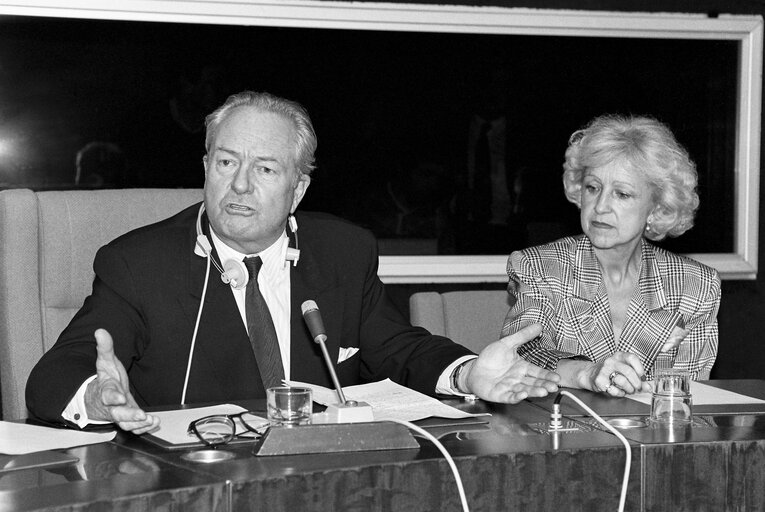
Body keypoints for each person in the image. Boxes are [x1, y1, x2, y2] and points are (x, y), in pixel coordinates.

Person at [26, 91, 560, 434]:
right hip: (199, 483)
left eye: (264, 169)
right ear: (206, 167)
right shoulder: (138, 263)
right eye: (226, 162)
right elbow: (53, 378)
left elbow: (399, 349)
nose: (238, 185)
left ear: (297, 189)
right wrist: (98, 397)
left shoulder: (343, 252)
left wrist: (468, 373)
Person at [502, 114, 721, 397]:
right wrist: (588, 372)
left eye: (622, 194)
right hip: (558, 433)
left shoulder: (696, 286)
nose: (601, 206)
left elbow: (689, 395)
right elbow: (520, 354)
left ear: (656, 209)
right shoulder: (540, 266)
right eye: (593, 188)